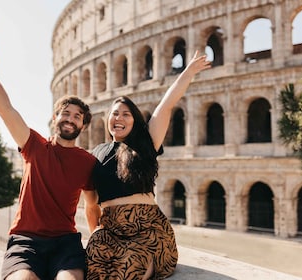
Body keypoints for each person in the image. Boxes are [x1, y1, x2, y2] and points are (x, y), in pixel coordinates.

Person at [0, 25, 100, 280]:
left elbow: (92, 204)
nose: (70, 119)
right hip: (25, 240)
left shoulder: (88, 162)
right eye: (65, 113)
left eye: (77, 117)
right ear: (55, 118)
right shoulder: (34, 145)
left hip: (65, 242)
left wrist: (98, 235)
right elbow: (4, 107)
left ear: (83, 126)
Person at [86, 51, 211, 279]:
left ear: (135, 120)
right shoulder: (96, 153)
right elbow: (91, 204)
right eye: (115, 114)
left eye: (126, 114)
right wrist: (96, 231)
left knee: (130, 265)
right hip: (111, 229)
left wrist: (188, 72)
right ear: (107, 119)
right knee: (93, 253)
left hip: (148, 230)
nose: (119, 118)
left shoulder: (145, 145)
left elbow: (166, 105)